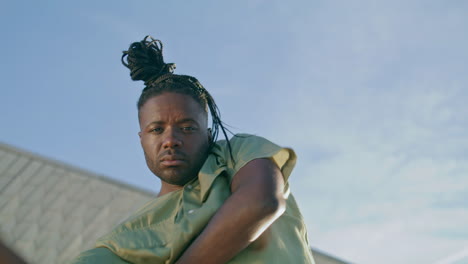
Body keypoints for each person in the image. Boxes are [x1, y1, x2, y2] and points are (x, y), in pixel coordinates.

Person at [71, 36, 315, 264]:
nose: (171, 140)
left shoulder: (237, 152)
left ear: (208, 136)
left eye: (187, 128)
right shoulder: (123, 241)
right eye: (156, 130)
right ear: (141, 139)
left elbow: (261, 203)